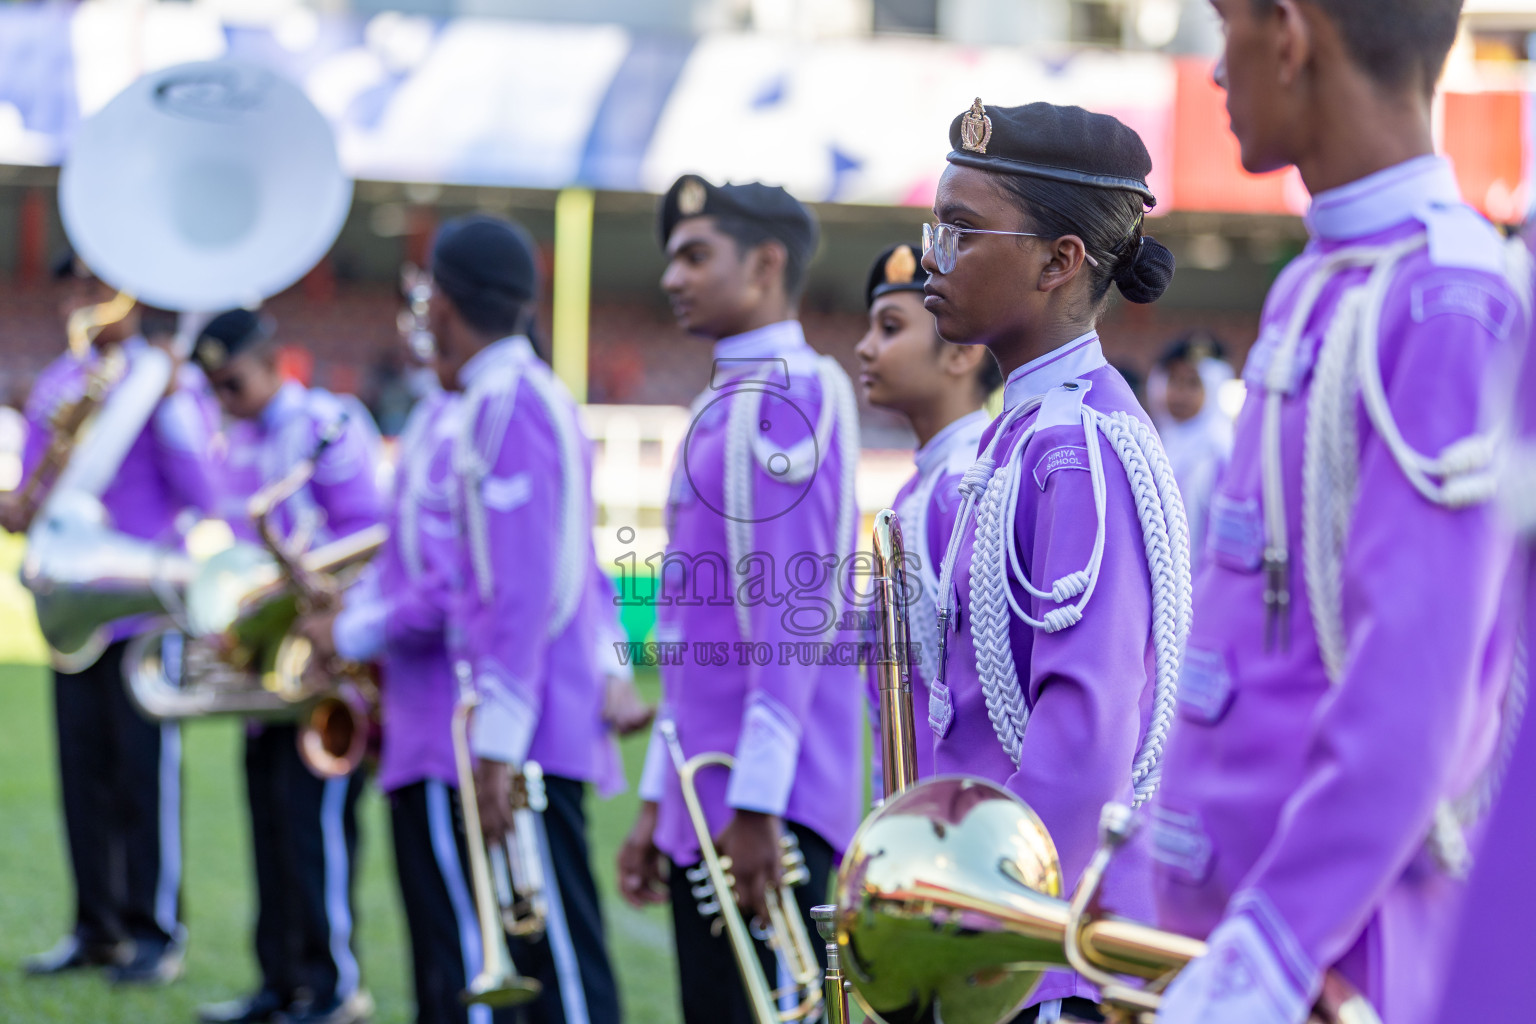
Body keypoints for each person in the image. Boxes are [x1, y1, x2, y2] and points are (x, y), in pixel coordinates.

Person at [1150, 3, 1528, 1023]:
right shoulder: (1322, 280)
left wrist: (1269, 950)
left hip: (1337, 957)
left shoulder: (1447, 300)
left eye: (1224, 26)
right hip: (1235, 931)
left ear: (1289, 32)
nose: (1217, 69)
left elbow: (1418, 692)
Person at [299, 214, 621, 1024]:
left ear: (441, 302)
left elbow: (517, 591)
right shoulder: (498, 398)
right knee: (529, 970)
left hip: (523, 730)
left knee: (560, 984)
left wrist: (497, 745)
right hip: (512, 723)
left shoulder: (509, 403)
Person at [921, 100, 1188, 1023]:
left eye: (960, 230)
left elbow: (1085, 733)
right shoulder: (1027, 431)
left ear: (1059, 260)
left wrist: (985, 922)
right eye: (934, 226)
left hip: (1036, 947)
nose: (931, 256)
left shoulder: (1077, 445)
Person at [616, 174, 863, 1024]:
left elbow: (793, 621)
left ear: (764, 265)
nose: (671, 278)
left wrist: (758, 804)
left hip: (763, 808)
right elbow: (689, 642)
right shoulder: (724, 404)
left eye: (694, 256)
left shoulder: (787, 398)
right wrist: (658, 802)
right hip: (711, 799)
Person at [10, 251, 220, 984]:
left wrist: (163, 400)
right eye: (76, 282)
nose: (84, 297)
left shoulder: (165, 382)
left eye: (99, 284)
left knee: (143, 775)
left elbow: (205, 490)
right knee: (83, 773)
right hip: (73, 609)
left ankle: (154, 932)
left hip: (142, 610)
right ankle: (94, 927)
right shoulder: (60, 382)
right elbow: (33, 503)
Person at [189, 309, 382, 1024]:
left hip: (322, 670)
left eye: (231, 382)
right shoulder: (235, 440)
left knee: (314, 834)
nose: (223, 398)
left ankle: (333, 987)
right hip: (265, 670)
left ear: (271, 364)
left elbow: (369, 531)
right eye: (212, 387)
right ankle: (278, 983)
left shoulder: (328, 427)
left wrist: (313, 601)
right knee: (268, 826)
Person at [852, 242, 1000, 789]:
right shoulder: (924, 486)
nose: (865, 348)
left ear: (962, 353)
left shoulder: (964, 488)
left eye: (890, 328)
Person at [1146, 333, 1235, 557]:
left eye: (1193, 384)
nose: (1180, 395)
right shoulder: (1154, 442)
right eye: (1173, 381)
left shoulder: (1222, 452)